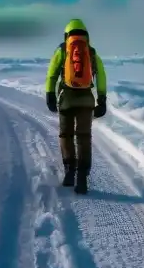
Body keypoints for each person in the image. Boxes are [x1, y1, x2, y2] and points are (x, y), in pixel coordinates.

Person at [45, 18, 108, 194]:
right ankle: (82, 177)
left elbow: (52, 73)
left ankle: (69, 172)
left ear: (67, 35)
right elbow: (101, 76)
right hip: (86, 100)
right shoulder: (91, 52)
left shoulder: (63, 50)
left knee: (66, 135)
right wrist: (102, 99)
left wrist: (50, 94)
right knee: (84, 137)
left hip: (66, 99)